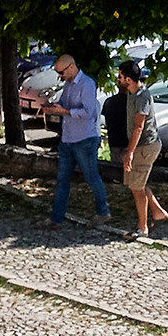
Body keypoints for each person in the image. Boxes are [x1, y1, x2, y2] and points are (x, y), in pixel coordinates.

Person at [46, 54, 108, 227]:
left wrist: (65, 112)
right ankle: (56, 218)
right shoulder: (68, 84)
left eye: (61, 72)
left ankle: (103, 212)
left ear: (71, 67)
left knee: (91, 176)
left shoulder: (87, 84)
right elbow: (64, 103)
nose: (60, 76)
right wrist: (53, 107)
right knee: (62, 179)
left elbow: (88, 112)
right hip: (68, 139)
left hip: (85, 139)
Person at [114, 60, 168, 239]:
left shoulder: (142, 97)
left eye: (120, 76)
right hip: (140, 146)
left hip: (146, 146)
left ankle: (142, 228)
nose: (118, 79)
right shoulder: (132, 93)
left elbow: (139, 127)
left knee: (137, 187)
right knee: (135, 184)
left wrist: (129, 153)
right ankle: (157, 211)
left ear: (128, 79)